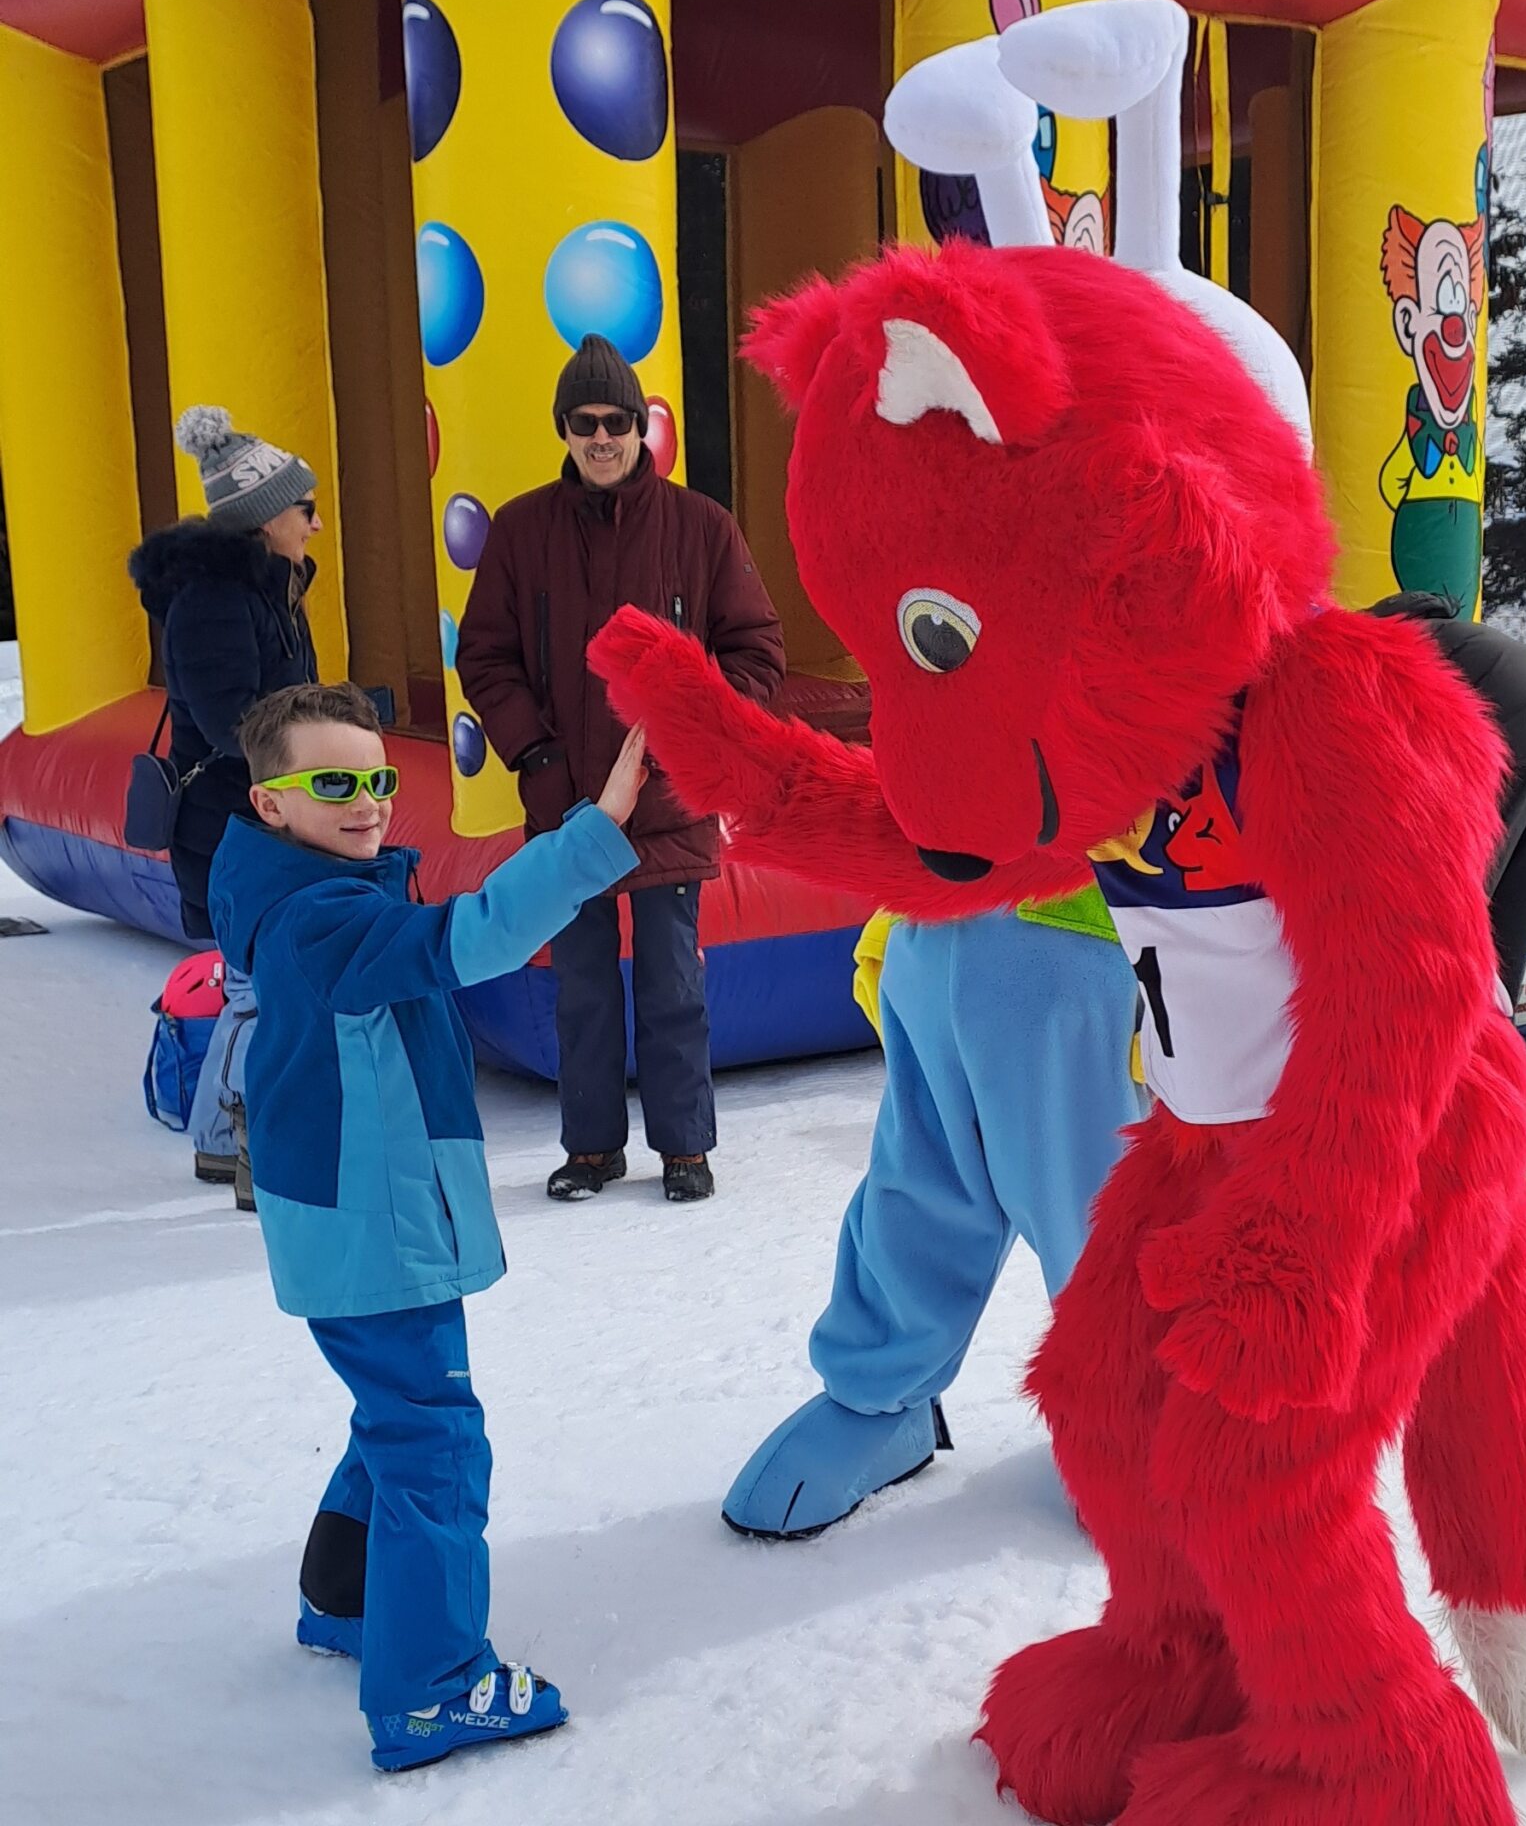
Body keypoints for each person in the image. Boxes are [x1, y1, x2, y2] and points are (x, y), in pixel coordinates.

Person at [207, 681, 648, 1772]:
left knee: (396, 1414)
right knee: (434, 1441)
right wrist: (599, 833)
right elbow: (476, 936)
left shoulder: (301, 888)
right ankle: (431, 1689)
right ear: (271, 803)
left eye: (377, 779)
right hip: (374, 1224)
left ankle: (347, 1596)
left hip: (355, 1213)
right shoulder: (321, 919)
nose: (366, 804)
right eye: (332, 784)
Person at [457, 335, 785, 1205]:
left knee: (676, 983)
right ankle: (592, 1148)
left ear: (642, 428)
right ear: (562, 430)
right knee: (583, 987)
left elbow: (756, 650)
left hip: (669, 799)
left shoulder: (700, 526)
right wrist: (536, 753)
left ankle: (686, 1148)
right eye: (584, 423)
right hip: (569, 803)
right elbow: (485, 656)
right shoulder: (522, 531)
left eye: (617, 422)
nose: (601, 438)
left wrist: (693, 733)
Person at [723, 892, 1143, 1537]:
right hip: (930, 915)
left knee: (1098, 1206)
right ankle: (880, 1395)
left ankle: (1142, 1419)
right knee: (919, 1186)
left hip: (1090, 924)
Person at [128, 406, 323, 1195]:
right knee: (256, 991)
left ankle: (220, 1136)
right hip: (232, 827)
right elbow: (234, 722)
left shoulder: (268, 589)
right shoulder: (215, 601)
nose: (316, 523)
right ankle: (237, 1141)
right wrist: (320, 746)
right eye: (306, 507)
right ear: (267, 516)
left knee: (255, 986)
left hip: (259, 818)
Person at [1368, 590, 1526, 1004]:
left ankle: (1461, 1029)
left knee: (1462, 900)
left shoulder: (1399, 646)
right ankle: (1495, 1027)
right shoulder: (1461, 635)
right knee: (1517, 896)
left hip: (1514, 750)